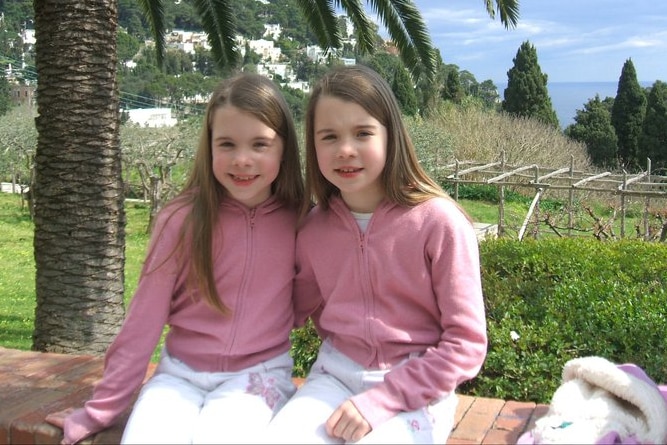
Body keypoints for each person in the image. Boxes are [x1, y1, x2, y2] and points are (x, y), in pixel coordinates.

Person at [45, 72, 305, 444]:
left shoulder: (301, 221)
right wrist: (101, 409)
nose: (242, 159)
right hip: (178, 376)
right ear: (209, 146)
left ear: (284, 148)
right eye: (227, 144)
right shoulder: (182, 219)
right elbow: (143, 321)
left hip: (258, 376)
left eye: (260, 144)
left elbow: (315, 298)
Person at [265, 64, 487, 444]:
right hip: (333, 377)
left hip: (417, 390)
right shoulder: (313, 229)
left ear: (391, 136)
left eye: (363, 133)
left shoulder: (438, 222)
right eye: (329, 136)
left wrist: (381, 401)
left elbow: (466, 344)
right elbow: (284, 312)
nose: (345, 150)